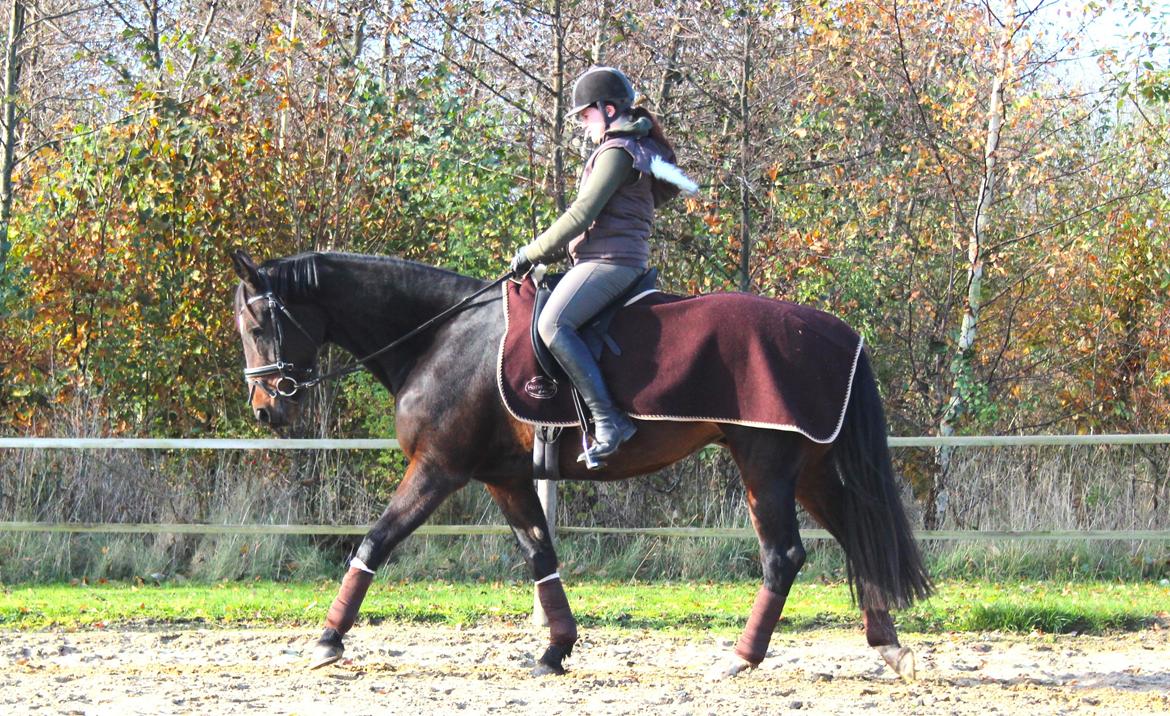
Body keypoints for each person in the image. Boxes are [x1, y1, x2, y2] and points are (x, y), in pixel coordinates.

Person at [509, 66, 696, 467]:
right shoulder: (634, 148)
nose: (583, 124)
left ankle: (609, 421)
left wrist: (531, 252)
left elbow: (581, 215)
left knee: (552, 324)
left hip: (610, 263)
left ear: (608, 109)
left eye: (586, 114)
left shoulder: (616, 152)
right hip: (607, 257)